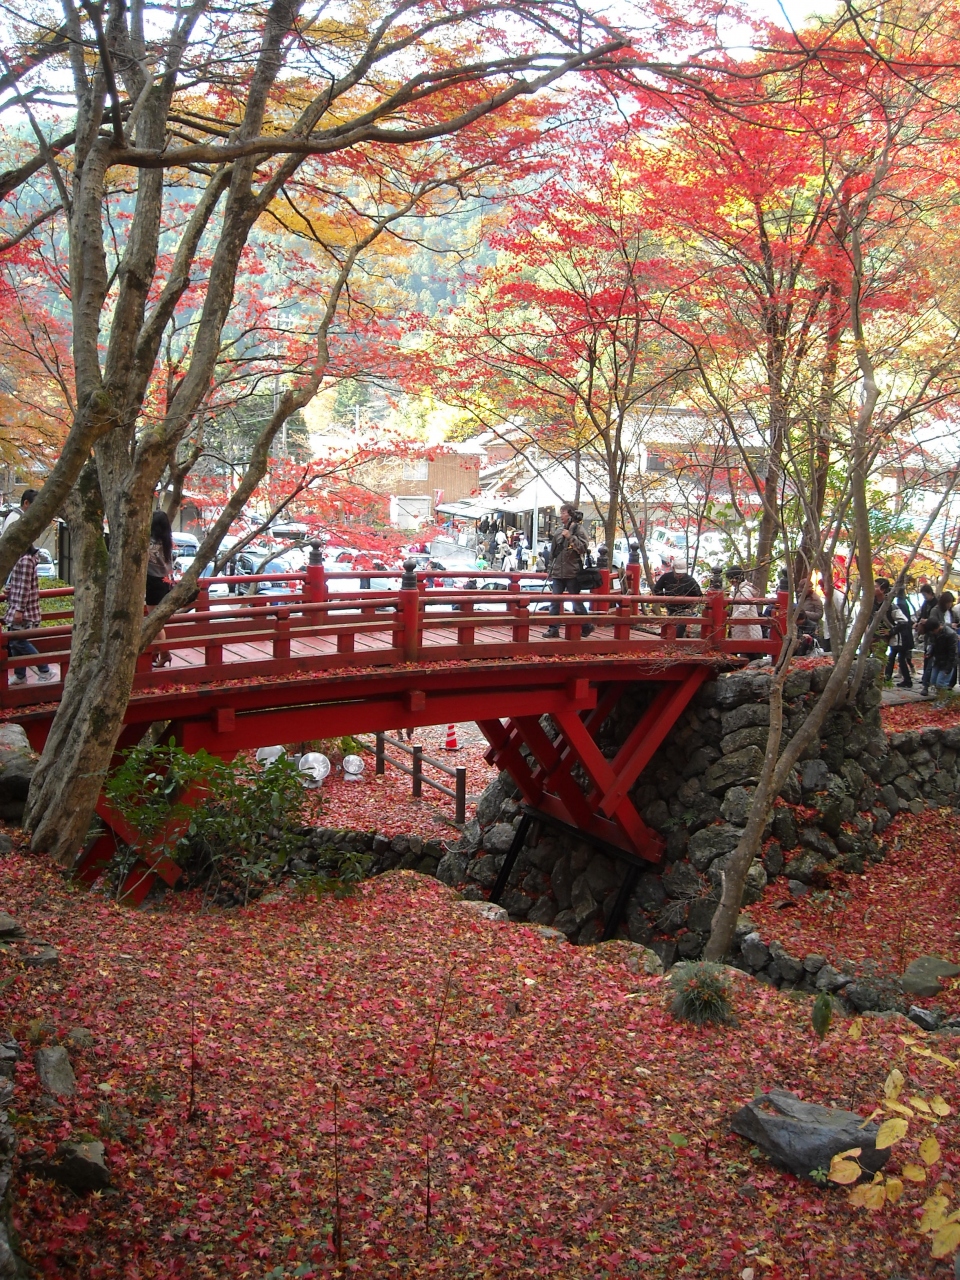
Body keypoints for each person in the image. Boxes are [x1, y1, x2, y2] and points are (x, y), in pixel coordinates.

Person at [5, 539, 54, 684]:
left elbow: (25, 587)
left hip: (23, 609)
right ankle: (20, 675)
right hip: (18, 606)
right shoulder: (22, 558)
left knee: (19, 642)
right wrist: (10, 589)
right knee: (14, 642)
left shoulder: (26, 560)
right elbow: (18, 582)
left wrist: (19, 610)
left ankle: (45, 670)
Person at [543, 504, 593, 637]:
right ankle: (553, 628)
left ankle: (586, 625)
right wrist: (550, 570)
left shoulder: (579, 530)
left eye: (563, 513)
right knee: (554, 602)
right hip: (558, 572)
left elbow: (583, 548)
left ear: (570, 514)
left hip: (572, 572)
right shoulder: (558, 532)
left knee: (576, 602)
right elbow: (553, 553)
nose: (561, 515)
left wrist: (571, 537)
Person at [146, 510, 174, 668]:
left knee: (154, 622)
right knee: (156, 620)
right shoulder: (166, 541)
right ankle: (156, 651)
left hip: (153, 581)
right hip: (165, 581)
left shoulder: (149, 542)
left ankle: (164, 654)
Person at [651, 557, 702, 638]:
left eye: (681, 573)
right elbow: (657, 589)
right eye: (678, 573)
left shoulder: (690, 580)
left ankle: (676, 642)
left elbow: (698, 595)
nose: (679, 575)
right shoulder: (666, 577)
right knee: (671, 625)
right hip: (670, 607)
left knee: (680, 625)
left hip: (685, 609)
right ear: (673, 568)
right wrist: (663, 599)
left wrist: (691, 606)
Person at [726, 566, 762, 653]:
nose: (731, 582)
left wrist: (733, 620)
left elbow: (744, 608)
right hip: (742, 626)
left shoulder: (745, 591)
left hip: (747, 627)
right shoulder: (739, 590)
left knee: (749, 651)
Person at [883, 589, 914, 688]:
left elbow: (903, 621)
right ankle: (890, 677)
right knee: (896, 657)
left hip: (901, 637)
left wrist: (892, 631)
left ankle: (904, 680)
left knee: (898, 658)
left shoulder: (897, 605)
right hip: (901, 636)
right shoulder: (901, 603)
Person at [922, 618, 957, 697]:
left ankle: (942, 700)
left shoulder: (950, 634)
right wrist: (930, 653)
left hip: (947, 661)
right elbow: (934, 645)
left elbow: (953, 653)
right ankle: (939, 697)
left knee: (941, 683)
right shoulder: (935, 634)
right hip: (938, 660)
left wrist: (948, 668)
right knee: (933, 680)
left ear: (935, 628)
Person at [795, 578, 823, 655]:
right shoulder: (801, 597)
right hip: (800, 626)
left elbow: (819, 614)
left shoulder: (816, 599)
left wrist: (805, 613)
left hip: (811, 627)